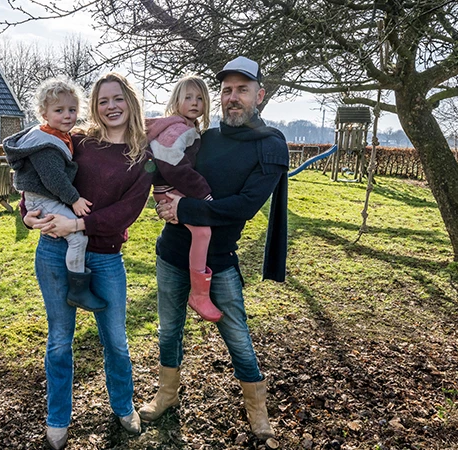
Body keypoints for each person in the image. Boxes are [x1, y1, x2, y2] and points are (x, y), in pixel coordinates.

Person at [139, 56, 289, 441]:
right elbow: (166, 168)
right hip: (172, 253)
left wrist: (185, 208)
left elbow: (245, 205)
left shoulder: (270, 146)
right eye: (226, 90)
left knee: (236, 335)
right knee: (169, 330)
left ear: (260, 95)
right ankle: (167, 394)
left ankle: (257, 410)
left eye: (242, 90)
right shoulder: (203, 137)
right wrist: (160, 196)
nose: (232, 97)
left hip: (218, 262)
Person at [20, 72, 152, 450]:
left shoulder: (142, 157)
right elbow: (37, 178)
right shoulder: (77, 141)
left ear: (130, 102)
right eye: (103, 100)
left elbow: (127, 212)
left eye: (117, 98)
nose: (111, 106)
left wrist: (78, 224)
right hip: (54, 250)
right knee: (60, 341)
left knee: (116, 341)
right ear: (94, 106)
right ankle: (58, 417)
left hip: (106, 258)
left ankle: (123, 405)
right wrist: (27, 216)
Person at [4, 77, 107, 312]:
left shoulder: (58, 136)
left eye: (72, 109)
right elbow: (54, 179)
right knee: (78, 238)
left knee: (73, 235)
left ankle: (76, 285)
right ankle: (78, 290)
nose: (67, 115)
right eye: (59, 110)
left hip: (44, 198)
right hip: (43, 199)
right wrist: (74, 199)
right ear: (44, 114)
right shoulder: (45, 143)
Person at [146, 75, 222, 323]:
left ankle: (198, 289)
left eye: (200, 98)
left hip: (171, 188)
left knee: (199, 231)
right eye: (188, 97)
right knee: (202, 232)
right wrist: (203, 193)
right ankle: (199, 294)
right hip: (171, 188)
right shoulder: (179, 128)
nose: (194, 102)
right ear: (175, 100)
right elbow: (172, 164)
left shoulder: (187, 126)